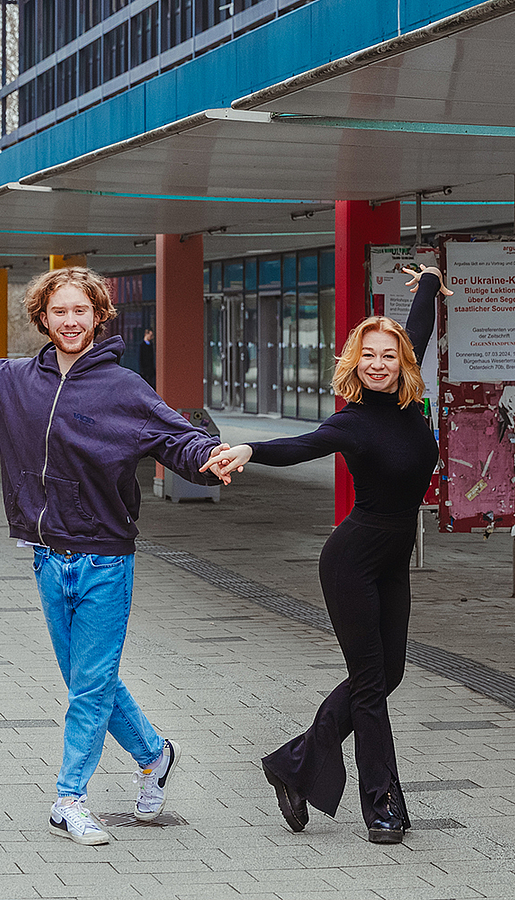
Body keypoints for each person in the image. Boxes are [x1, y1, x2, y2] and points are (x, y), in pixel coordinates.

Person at [0, 267, 225, 846]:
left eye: (80, 311)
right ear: (43, 316)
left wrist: (209, 456)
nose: (70, 321)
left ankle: (69, 799)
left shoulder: (123, 388)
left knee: (89, 686)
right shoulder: (14, 381)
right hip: (45, 556)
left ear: (98, 316)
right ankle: (155, 755)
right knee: (91, 680)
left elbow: (175, 437)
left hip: (105, 560)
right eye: (59, 311)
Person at [200, 263, 447, 845]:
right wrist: (248, 449)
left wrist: (432, 281)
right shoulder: (353, 421)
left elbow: (418, 325)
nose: (379, 362)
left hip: (392, 556)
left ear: (403, 360)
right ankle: (381, 805)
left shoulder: (410, 405)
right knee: (368, 683)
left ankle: (292, 764)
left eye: (389, 354)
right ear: (354, 364)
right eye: (368, 356)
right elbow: (300, 446)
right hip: (352, 559)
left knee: (390, 673)